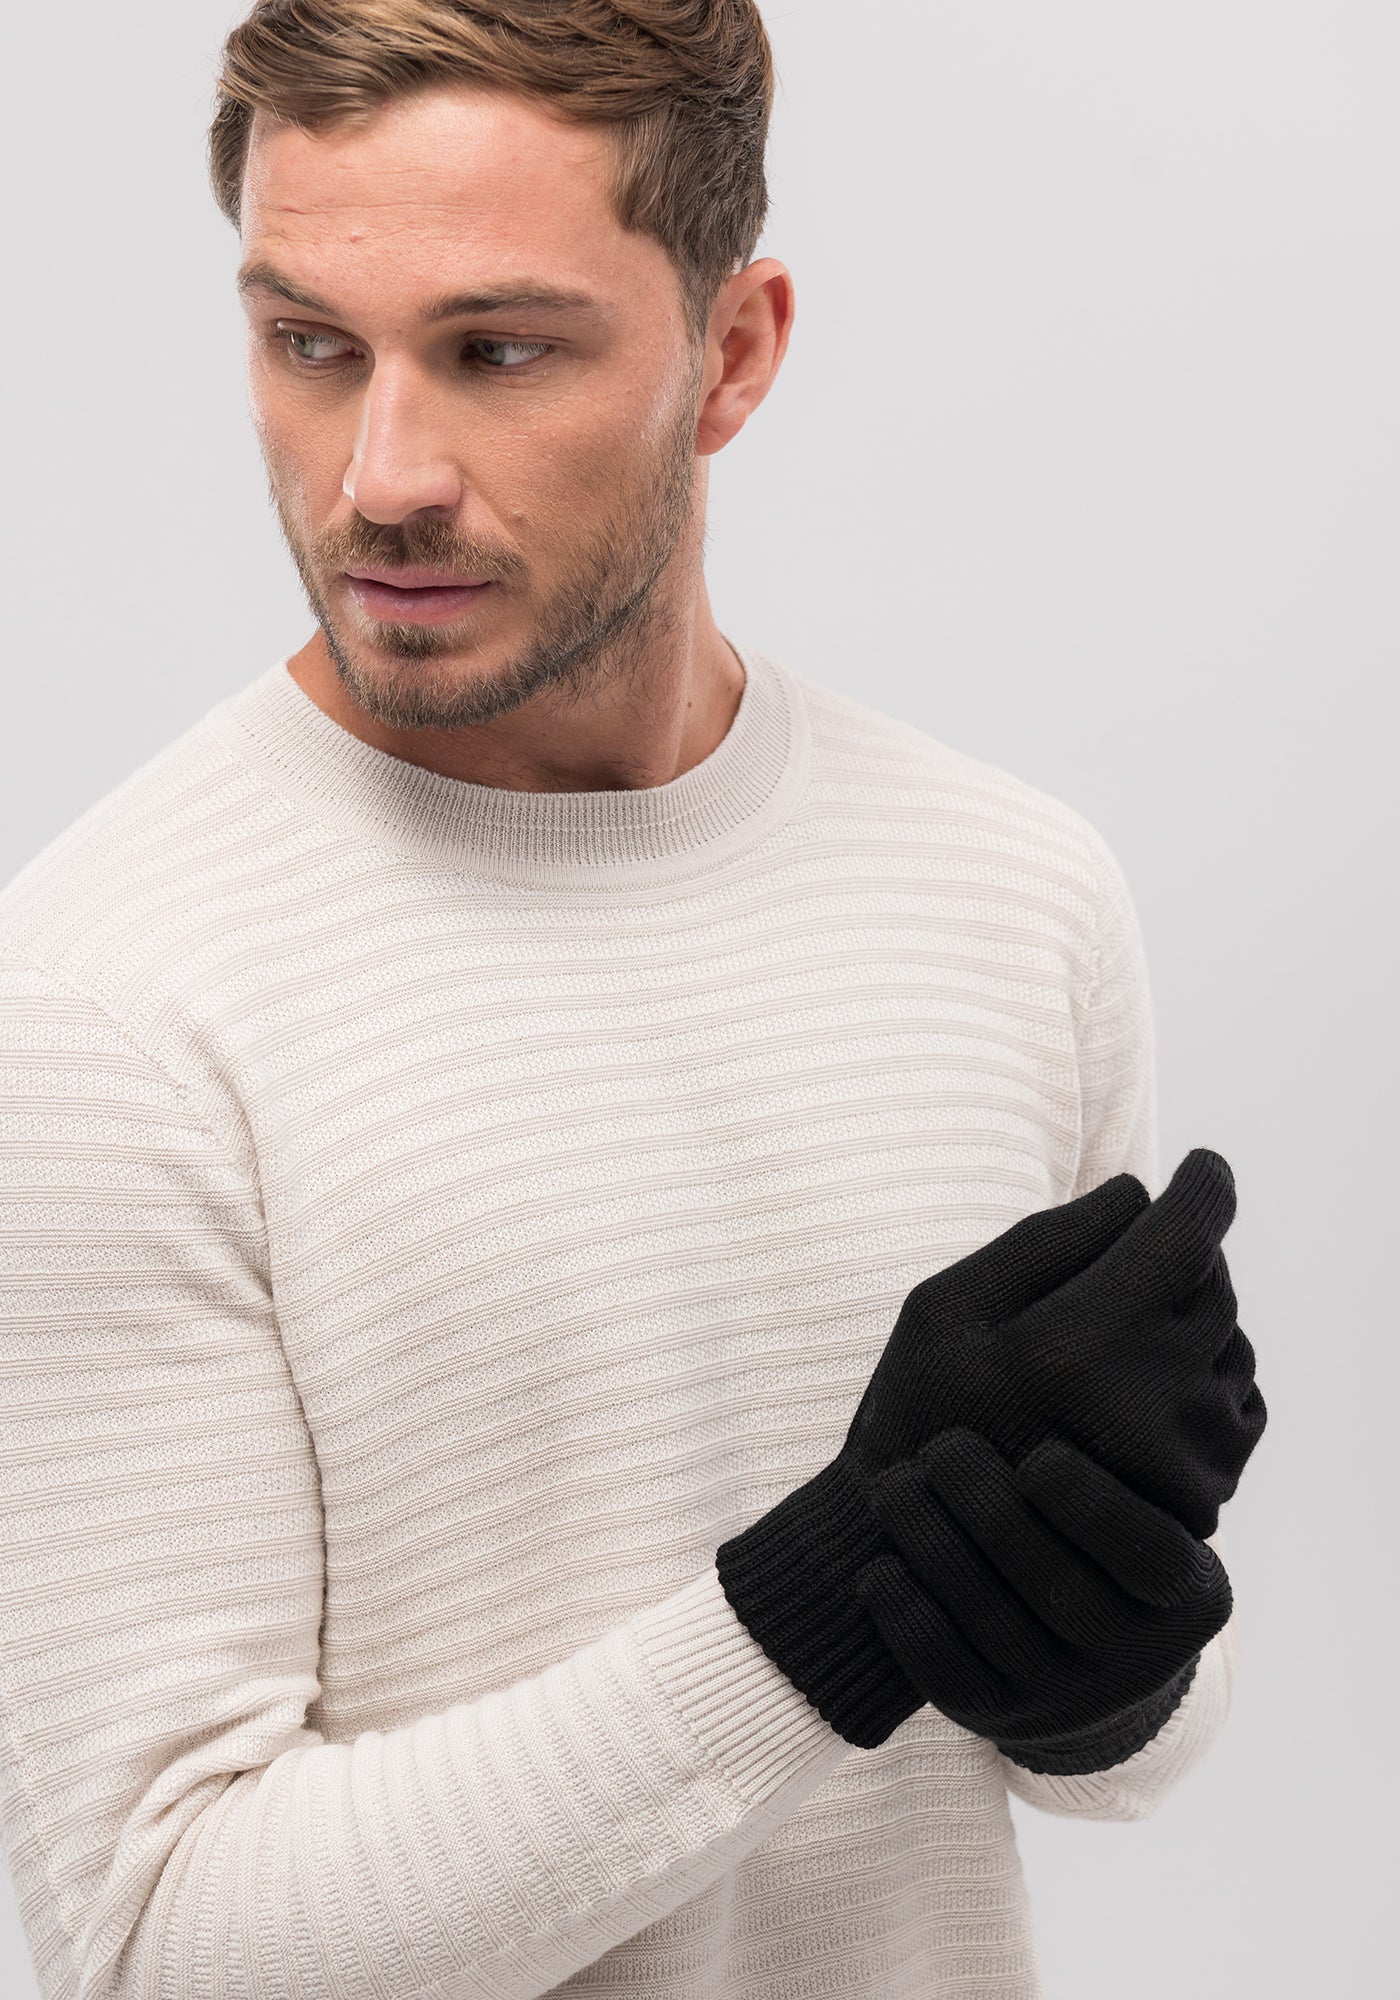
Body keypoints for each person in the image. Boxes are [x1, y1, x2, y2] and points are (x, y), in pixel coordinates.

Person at [0, 5, 1265, 1997]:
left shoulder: (1011, 895)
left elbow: (1120, 1752)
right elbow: (164, 1943)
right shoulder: (107, 1006)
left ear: (732, 352)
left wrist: (1111, 1663)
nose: (379, 477)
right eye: (311, 344)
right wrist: (833, 1592)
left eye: (500, 351)